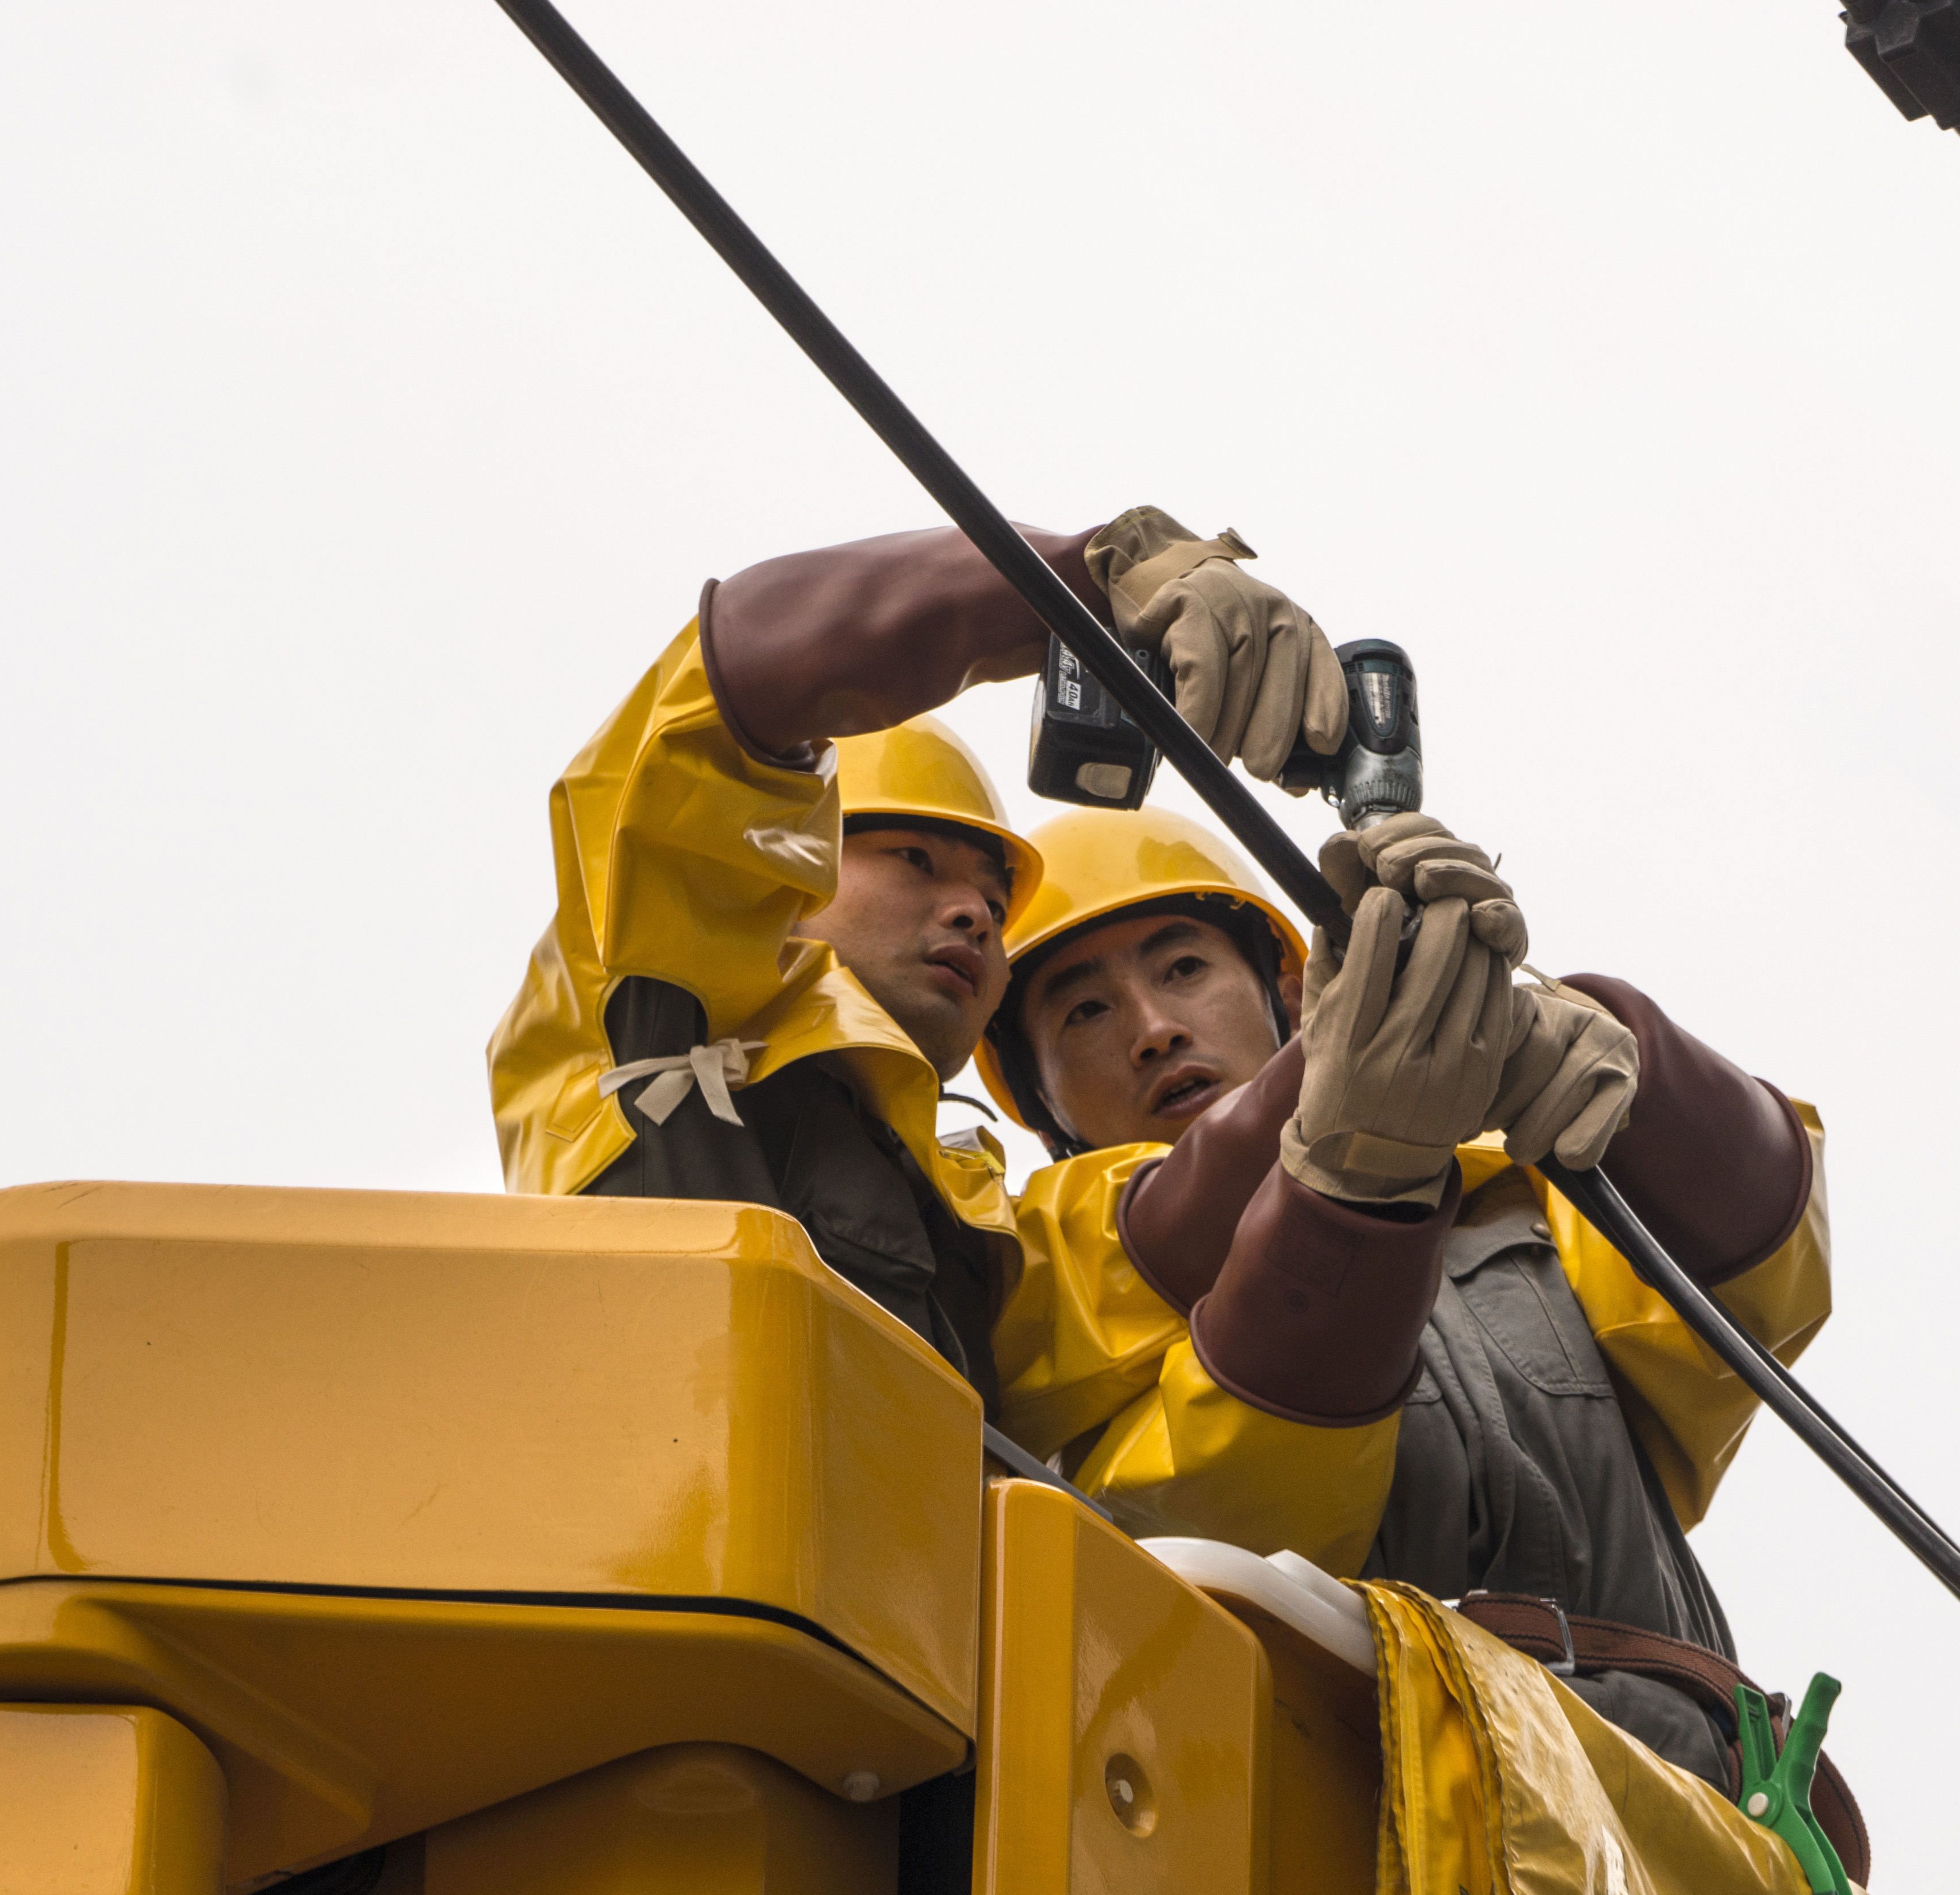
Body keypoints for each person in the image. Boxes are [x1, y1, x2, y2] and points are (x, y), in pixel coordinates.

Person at [986, 803, 1841, 1828]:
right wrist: (1353, 1142)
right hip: (1373, 1849)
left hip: (1681, 1839)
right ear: (1044, 1110)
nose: (1152, 1027)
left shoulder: (1516, 1211)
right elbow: (1250, 1508)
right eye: (1084, 1012)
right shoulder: (1045, 1285)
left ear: (1291, 994)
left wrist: (1612, 1055)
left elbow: (1768, 1274)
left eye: (1183, 969)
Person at [487, 509, 1353, 1401]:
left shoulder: (965, 1211)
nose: (975, 916)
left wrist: (1356, 1064)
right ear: (780, 848)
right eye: (915, 862)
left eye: (990, 898)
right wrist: (1087, 579)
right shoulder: (648, 1000)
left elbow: (1147, 1239)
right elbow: (733, 681)